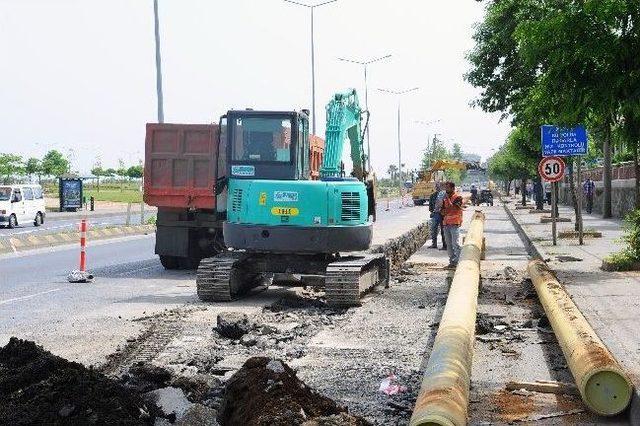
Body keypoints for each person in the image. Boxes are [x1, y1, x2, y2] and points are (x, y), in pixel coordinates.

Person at [441, 181, 464, 268]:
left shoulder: (458, 197)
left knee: (456, 244)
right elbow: (442, 211)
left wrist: (448, 208)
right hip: (446, 224)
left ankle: (459, 262)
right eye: (445, 188)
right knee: (449, 245)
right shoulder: (445, 199)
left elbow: (454, 208)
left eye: (448, 188)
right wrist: (447, 209)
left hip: (455, 223)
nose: (446, 189)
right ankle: (452, 262)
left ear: (453, 188)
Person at [428, 182, 447, 250]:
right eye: (436, 186)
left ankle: (445, 245)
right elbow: (430, 207)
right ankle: (434, 244)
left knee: (443, 230)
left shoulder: (445, 195)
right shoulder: (432, 196)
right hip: (435, 215)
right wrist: (434, 212)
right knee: (433, 229)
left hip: (443, 215)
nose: (437, 188)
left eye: (439, 186)